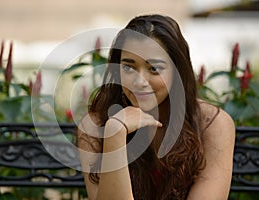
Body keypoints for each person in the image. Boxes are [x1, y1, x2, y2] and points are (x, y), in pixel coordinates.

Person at [77, 14, 235, 200]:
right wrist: (115, 133)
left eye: (154, 68)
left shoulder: (212, 125)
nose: (139, 81)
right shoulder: (95, 124)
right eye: (128, 67)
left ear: (177, 72)